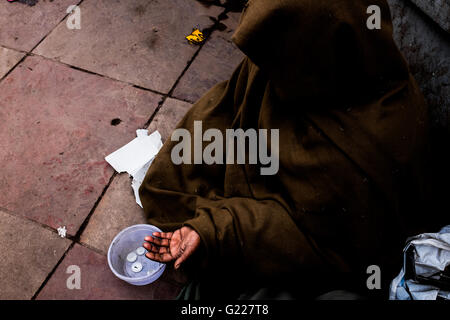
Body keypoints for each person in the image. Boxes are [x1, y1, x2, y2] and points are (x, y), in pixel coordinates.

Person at [139, 0, 432, 299]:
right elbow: (228, 107)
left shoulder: (378, 140)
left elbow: (324, 247)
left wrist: (217, 229)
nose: (265, 68)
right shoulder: (296, 61)